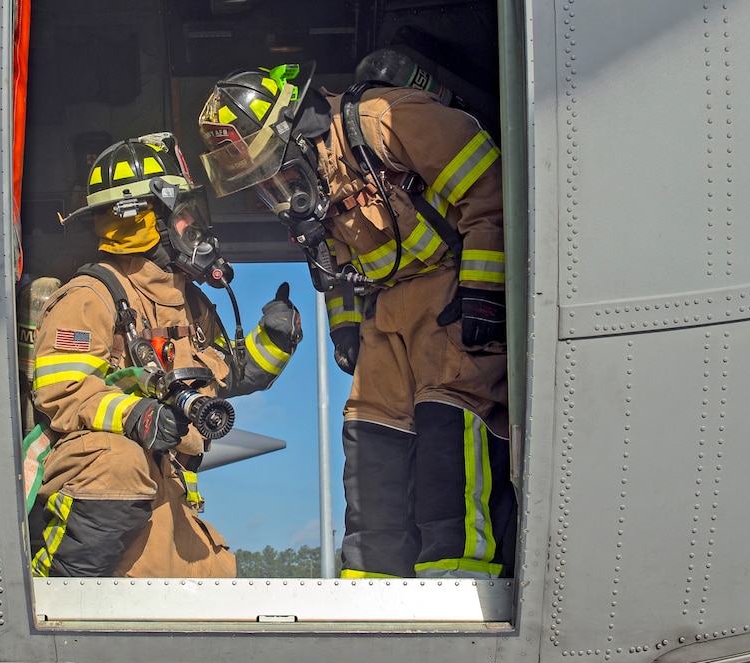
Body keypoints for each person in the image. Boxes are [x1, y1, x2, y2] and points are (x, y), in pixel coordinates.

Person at [195, 62, 515, 579]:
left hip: (452, 293)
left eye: (275, 170)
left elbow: (493, 190)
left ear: (299, 135)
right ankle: (372, 582)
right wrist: (344, 325)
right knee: (369, 438)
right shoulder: (315, 182)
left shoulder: (386, 121)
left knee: (449, 421)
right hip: (386, 314)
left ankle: (460, 574)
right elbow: (338, 271)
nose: (275, 189)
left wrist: (483, 290)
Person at [27, 132, 302, 578]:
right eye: (183, 215)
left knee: (216, 575)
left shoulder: (189, 301)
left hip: (171, 493)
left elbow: (221, 374)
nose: (193, 228)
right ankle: (57, 593)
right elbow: (66, 392)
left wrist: (271, 344)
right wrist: (139, 415)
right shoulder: (89, 297)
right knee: (120, 464)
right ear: (139, 219)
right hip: (109, 487)